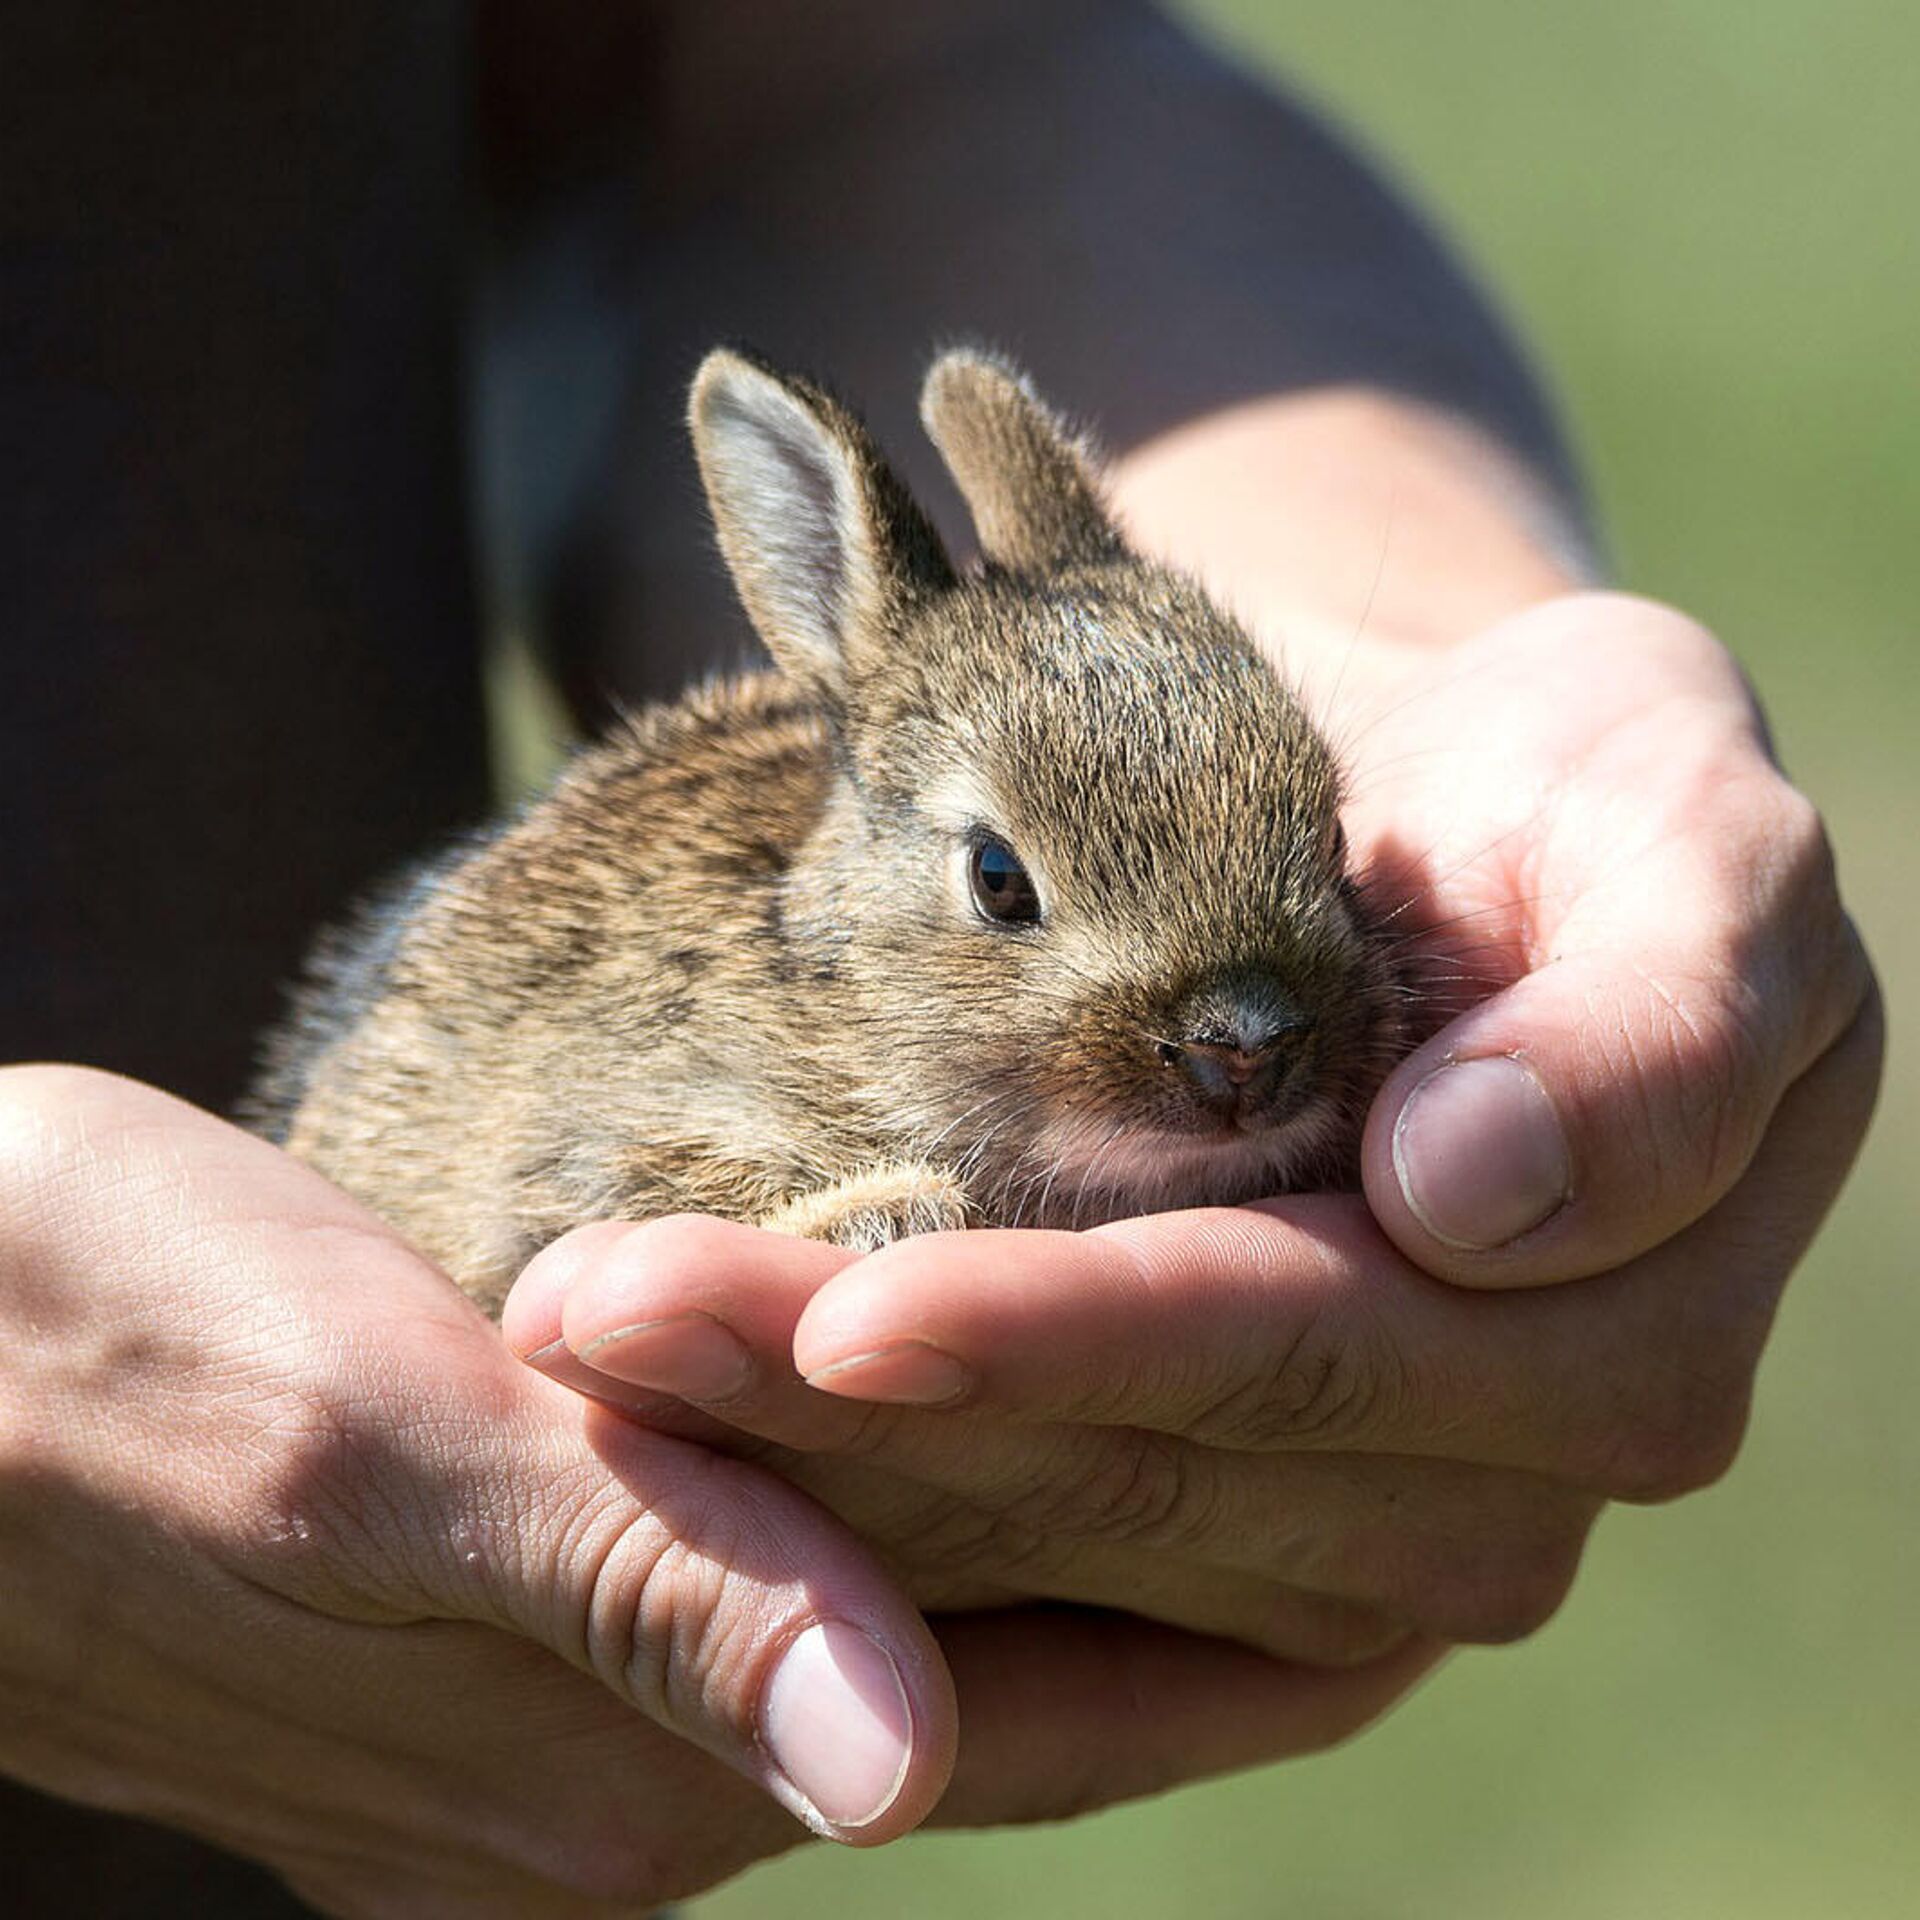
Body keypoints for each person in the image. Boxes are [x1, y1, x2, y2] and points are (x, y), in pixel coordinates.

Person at [0, 3, 1881, 1914]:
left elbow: (850, 74)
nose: (1244, 1038)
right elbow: (545, 1205)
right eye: (1011, 895)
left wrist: (1469, 665)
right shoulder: (723, 1044)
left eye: (1308, 853)